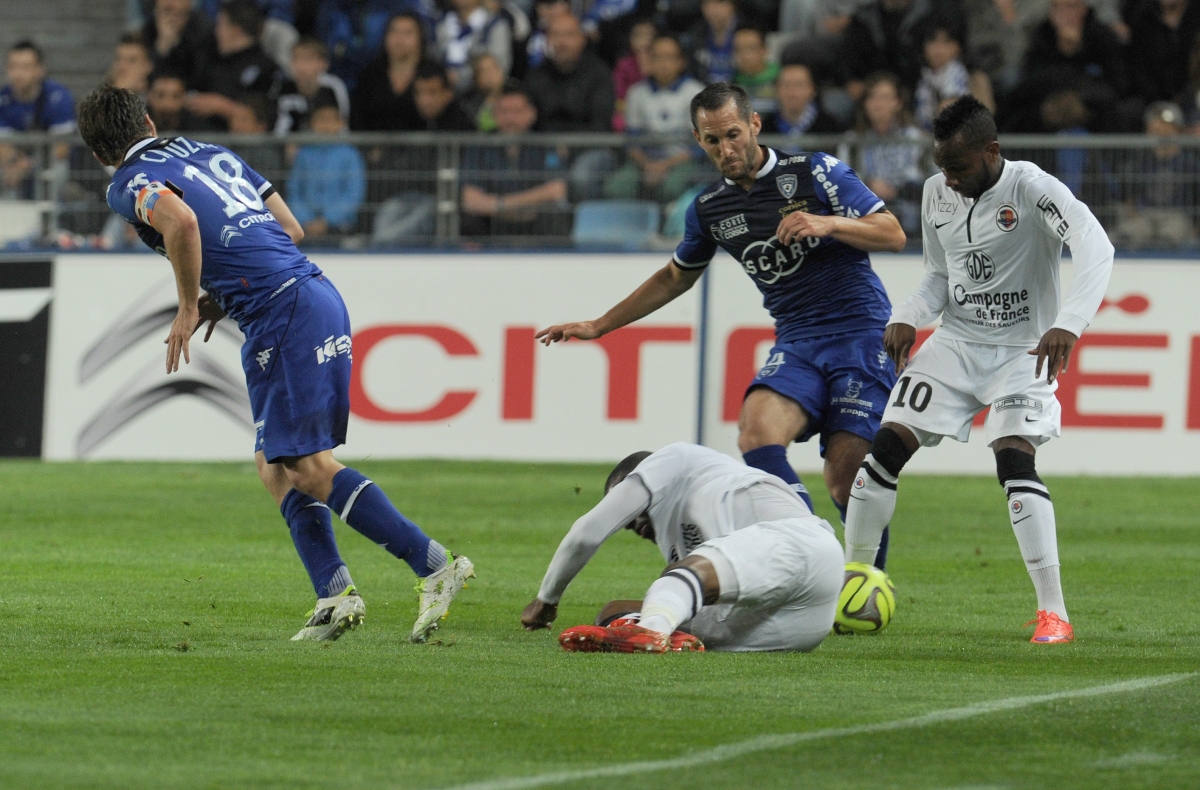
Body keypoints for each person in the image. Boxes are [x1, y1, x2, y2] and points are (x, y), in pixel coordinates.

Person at [77, 84, 474, 643]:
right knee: (274, 464)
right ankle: (334, 594)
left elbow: (181, 223)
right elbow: (291, 229)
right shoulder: (210, 151)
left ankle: (434, 565)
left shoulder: (127, 183)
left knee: (308, 467)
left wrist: (189, 305)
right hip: (306, 295)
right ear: (148, 122)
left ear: (99, 152)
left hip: (282, 311)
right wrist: (224, 295)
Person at [537, 83, 906, 568]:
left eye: (733, 135)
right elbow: (675, 276)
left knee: (845, 478)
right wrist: (600, 324)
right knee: (755, 433)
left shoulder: (816, 171)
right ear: (698, 140)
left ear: (754, 124)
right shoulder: (709, 208)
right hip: (796, 340)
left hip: (860, 332)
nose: (726, 149)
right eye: (713, 140)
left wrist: (828, 223)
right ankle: (809, 546)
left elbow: (893, 233)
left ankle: (867, 581)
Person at [842, 96, 1114, 644]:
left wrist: (1069, 322)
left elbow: (1095, 244)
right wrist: (907, 315)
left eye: (959, 168)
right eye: (941, 166)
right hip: (958, 342)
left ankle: (1054, 614)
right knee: (885, 447)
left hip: (1023, 350)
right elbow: (939, 277)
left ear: (991, 151)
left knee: (1013, 458)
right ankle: (853, 585)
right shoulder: (937, 191)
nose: (950, 179)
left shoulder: (1032, 188)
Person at [520, 443, 844, 653]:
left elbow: (587, 533)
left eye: (629, 514)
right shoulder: (677, 532)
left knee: (678, 577)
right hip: (798, 625)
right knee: (612, 612)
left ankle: (651, 632)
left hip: (803, 546)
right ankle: (659, 633)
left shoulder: (673, 459)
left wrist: (546, 599)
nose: (631, 525)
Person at [604, 35, 705, 203]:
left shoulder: (696, 92)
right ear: (650, 61)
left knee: (671, 188)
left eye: (670, 57)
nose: (663, 64)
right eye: (658, 57)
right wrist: (648, 165)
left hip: (683, 161)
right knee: (616, 188)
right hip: (643, 161)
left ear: (682, 62)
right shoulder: (636, 93)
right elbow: (632, 141)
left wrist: (664, 165)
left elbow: (700, 145)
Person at [460, 84, 569, 237]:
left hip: (535, 223)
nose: (510, 119)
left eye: (517, 111)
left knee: (555, 216)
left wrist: (500, 204)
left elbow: (556, 190)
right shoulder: (479, 146)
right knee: (470, 221)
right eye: (504, 111)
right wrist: (518, 208)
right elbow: (471, 200)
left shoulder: (546, 145)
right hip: (493, 224)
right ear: (494, 114)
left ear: (532, 114)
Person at [1112, 101, 1199, 248]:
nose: (1161, 134)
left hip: (1177, 216)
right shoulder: (1142, 161)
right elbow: (1129, 194)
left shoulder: (1189, 162)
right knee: (1125, 235)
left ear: (1177, 130)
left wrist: (1195, 227)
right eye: (1156, 129)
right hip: (1146, 214)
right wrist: (1133, 215)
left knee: (1170, 236)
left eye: (1166, 128)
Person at [186, 0, 283, 130]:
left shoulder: (267, 69)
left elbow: (269, 115)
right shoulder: (210, 59)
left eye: (220, 25)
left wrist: (224, 107)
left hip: (241, 141)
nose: (216, 31)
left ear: (236, 30)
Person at [854, 72, 927, 235]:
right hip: (865, 227)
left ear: (898, 102)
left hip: (912, 228)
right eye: (872, 97)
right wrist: (869, 184)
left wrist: (895, 192)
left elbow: (931, 183)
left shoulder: (916, 139)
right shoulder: (852, 142)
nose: (878, 104)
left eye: (885, 97)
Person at [287, 101, 367, 242]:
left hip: (342, 226)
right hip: (304, 226)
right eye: (320, 119)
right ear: (312, 123)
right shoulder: (304, 154)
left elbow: (354, 193)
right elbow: (294, 189)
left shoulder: (350, 154)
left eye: (331, 120)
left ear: (341, 123)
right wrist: (305, 218)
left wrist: (328, 220)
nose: (325, 125)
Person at [348, 12, 425, 132]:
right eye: (394, 31)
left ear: (421, 37)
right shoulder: (370, 75)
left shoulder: (433, 74)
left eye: (408, 32)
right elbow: (357, 118)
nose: (400, 38)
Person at [1129, 0, 1200, 105]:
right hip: (1152, 99)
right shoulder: (1144, 18)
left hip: (1192, 96)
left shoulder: (1196, 17)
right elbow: (1138, 67)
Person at [274, 38, 351, 134]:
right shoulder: (283, 87)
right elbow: (278, 127)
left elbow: (343, 124)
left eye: (307, 59)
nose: (300, 65)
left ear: (323, 63)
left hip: (326, 141)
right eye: (295, 58)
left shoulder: (333, 87)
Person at [0, 40, 77, 133]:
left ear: (40, 69)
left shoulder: (58, 98)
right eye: (12, 66)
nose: (18, 74)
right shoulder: (2, 100)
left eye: (26, 67)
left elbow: (63, 140)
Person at [434, 0, 513, 90]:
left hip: (478, 90)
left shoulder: (495, 24)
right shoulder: (440, 22)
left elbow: (500, 65)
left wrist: (460, 76)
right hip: (441, 89)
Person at [142, 0, 215, 88]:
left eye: (177, 13)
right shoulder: (148, 30)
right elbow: (146, 76)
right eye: (166, 11)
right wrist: (163, 46)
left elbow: (199, 78)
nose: (170, 18)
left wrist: (175, 43)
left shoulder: (203, 31)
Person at [913, 18, 970, 132]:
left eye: (946, 42)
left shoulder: (956, 71)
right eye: (933, 42)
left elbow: (948, 110)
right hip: (924, 135)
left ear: (957, 47)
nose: (938, 49)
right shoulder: (923, 74)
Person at [760, 62, 842, 137]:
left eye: (799, 85)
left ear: (812, 90)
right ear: (776, 90)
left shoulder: (831, 128)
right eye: (786, 85)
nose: (792, 92)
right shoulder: (764, 129)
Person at [612, 18, 656, 132]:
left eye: (649, 35)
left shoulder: (661, 62)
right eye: (639, 35)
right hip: (629, 110)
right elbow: (618, 96)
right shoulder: (624, 65)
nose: (645, 40)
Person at [682, 0, 739, 84]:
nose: (713, 9)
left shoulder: (747, 31)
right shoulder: (696, 34)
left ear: (733, 5)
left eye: (719, 2)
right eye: (707, 3)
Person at [146, 71, 216, 133]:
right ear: (149, 96)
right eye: (160, 95)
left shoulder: (200, 131)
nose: (167, 104)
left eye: (176, 96)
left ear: (184, 98)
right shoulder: (140, 128)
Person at [732, 27, 779, 115]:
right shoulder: (732, 82)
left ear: (764, 50)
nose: (744, 55)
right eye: (739, 49)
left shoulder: (780, 78)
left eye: (751, 48)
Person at [459, 53, 506, 131]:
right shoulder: (466, 104)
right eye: (483, 71)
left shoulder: (516, 96)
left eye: (492, 68)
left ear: (501, 72)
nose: (490, 75)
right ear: (476, 78)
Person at [109, 33, 156, 97]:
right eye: (118, 59)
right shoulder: (100, 98)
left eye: (131, 60)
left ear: (147, 66)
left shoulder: (159, 100)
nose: (122, 66)